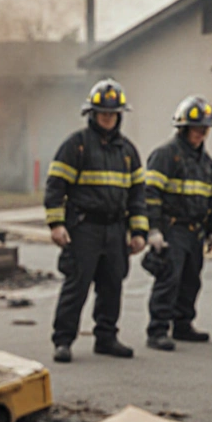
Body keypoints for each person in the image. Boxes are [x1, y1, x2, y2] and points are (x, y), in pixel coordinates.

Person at [44, 78, 149, 364]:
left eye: (113, 114)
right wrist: (56, 224)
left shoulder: (128, 152)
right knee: (76, 285)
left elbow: (138, 195)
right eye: (103, 113)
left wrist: (138, 230)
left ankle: (106, 338)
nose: (108, 118)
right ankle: (63, 340)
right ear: (92, 113)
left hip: (115, 229)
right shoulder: (75, 146)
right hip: (84, 228)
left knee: (112, 285)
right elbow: (56, 187)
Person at [142, 96, 212, 352]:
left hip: (195, 231)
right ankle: (157, 330)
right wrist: (153, 229)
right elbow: (151, 195)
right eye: (196, 128)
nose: (201, 134)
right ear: (183, 127)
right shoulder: (165, 156)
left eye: (204, 129)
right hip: (172, 228)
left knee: (191, 280)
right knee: (169, 279)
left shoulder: (208, 164)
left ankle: (183, 324)